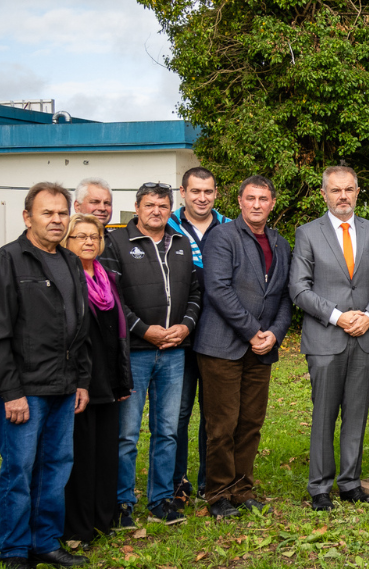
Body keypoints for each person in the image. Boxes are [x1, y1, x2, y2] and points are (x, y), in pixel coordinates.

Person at [0, 182, 91, 568]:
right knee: (19, 471)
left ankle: (44, 541)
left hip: (63, 386)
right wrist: (10, 391)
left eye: (62, 213)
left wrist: (81, 380)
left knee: (56, 469)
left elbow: (80, 328)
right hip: (24, 390)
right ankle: (14, 550)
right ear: (28, 217)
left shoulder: (71, 261)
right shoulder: (7, 261)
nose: (57, 220)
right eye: (48, 213)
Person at [290, 165, 369, 510]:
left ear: (357, 191)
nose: (343, 196)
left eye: (349, 189)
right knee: (324, 414)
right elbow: (299, 289)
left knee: (356, 412)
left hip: (365, 337)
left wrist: (367, 316)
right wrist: (337, 316)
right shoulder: (308, 233)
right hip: (325, 338)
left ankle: (350, 483)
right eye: (335, 191)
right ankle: (319, 487)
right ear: (324, 194)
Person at [102, 182, 201, 527]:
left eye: (162, 205)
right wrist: (145, 330)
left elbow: (196, 292)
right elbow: (111, 298)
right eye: (149, 205)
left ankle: (160, 500)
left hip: (175, 352)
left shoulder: (180, 243)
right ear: (137, 207)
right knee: (127, 434)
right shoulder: (116, 243)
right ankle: (122, 503)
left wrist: (186, 326)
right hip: (137, 353)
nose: (156, 211)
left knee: (168, 430)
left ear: (170, 209)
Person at [194, 175, 293, 518]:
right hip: (222, 346)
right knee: (222, 425)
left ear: (272, 203)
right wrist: (253, 332)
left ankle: (242, 488)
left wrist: (275, 334)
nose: (256, 204)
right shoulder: (222, 236)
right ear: (239, 201)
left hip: (261, 349)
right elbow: (219, 289)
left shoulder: (280, 243)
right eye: (250, 198)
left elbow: (283, 297)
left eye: (263, 199)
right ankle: (218, 493)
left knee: (251, 422)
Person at [62, 214, 132, 547]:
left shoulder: (108, 278)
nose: (89, 242)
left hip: (109, 378)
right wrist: (79, 381)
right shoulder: (66, 279)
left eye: (94, 236)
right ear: (67, 241)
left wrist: (121, 379)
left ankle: (104, 520)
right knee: (81, 455)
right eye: (80, 237)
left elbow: (117, 332)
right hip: (80, 381)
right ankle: (79, 527)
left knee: (106, 453)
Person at [168, 166, 231, 505]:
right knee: (178, 413)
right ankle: (178, 482)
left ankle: (211, 481)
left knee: (214, 413)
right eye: (195, 191)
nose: (202, 198)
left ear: (216, 193)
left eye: (208, 191)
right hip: (181, 336)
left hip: (220, 337)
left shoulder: (231, 228)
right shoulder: (167, 227)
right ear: (183, 192)